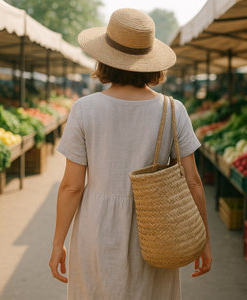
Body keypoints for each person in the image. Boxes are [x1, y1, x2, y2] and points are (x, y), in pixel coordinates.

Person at [49, 8, 211, 300]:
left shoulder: (85, 109)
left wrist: (58, 242)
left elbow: (72, 186)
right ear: (151, 62)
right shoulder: (174, 109)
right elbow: (193, 182)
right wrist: (204, 241)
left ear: (104, 58)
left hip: (96, 228)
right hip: (156, 230)